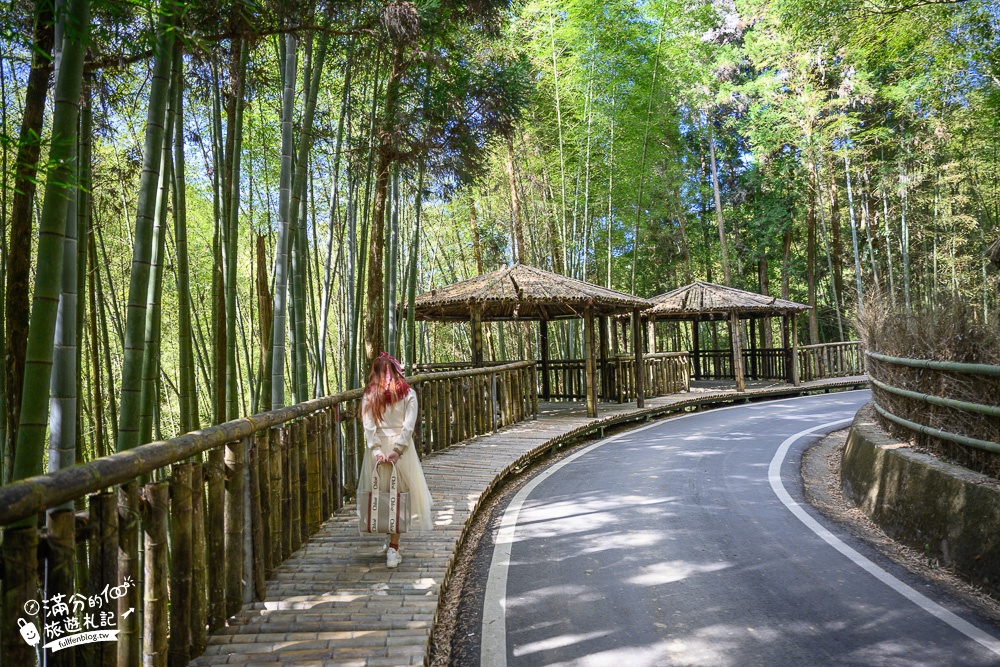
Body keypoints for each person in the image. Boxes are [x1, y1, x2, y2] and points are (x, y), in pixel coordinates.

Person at [358, 352, 433, 568]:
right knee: (398, 496)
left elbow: (368, 425)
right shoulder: (408, 393)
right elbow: (409, 426)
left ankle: (391, 543)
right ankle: (393, 548)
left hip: (379, 449)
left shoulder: (370, 394)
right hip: (401, 452)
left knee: (383, 493)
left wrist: (375, 450)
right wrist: (398, 450)